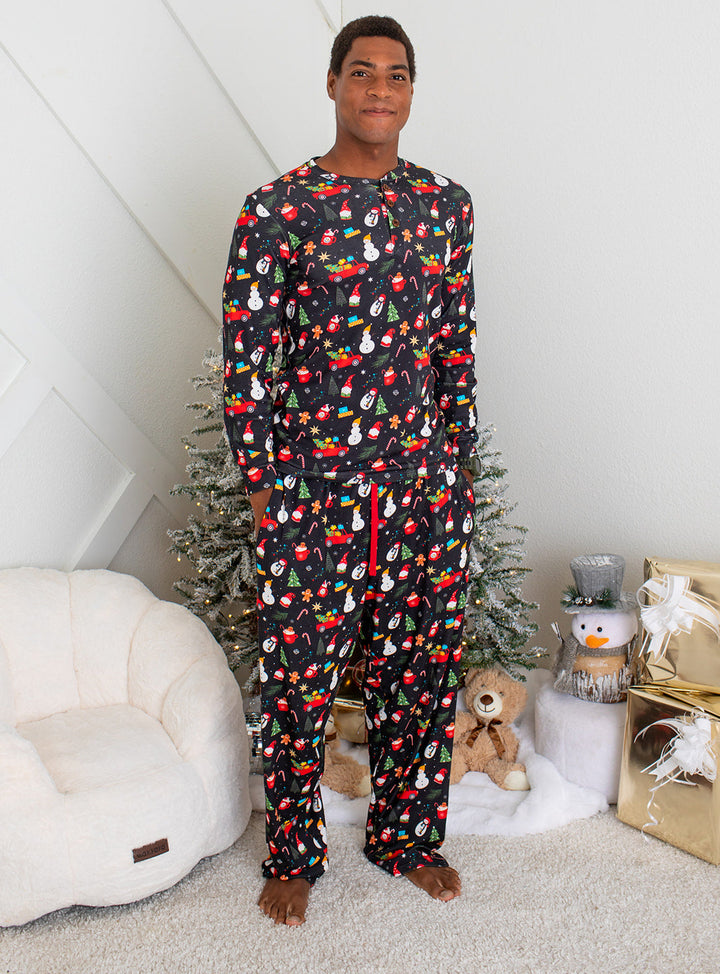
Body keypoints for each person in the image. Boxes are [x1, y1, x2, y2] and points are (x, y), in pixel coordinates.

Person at [222, 14, 480, 926]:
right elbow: (248, 356)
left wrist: (459, 467)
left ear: (412, 91)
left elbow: (455, 346)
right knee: (298, 677)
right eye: (362, 71)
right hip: (312, 489)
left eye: (397, 75)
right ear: (332, 84)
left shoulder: (447, 206)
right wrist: (263, 484)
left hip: (422, 487)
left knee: (418, 670)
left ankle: (407, 836)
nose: (380, 88)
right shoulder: (278, 207)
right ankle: (294, 851)